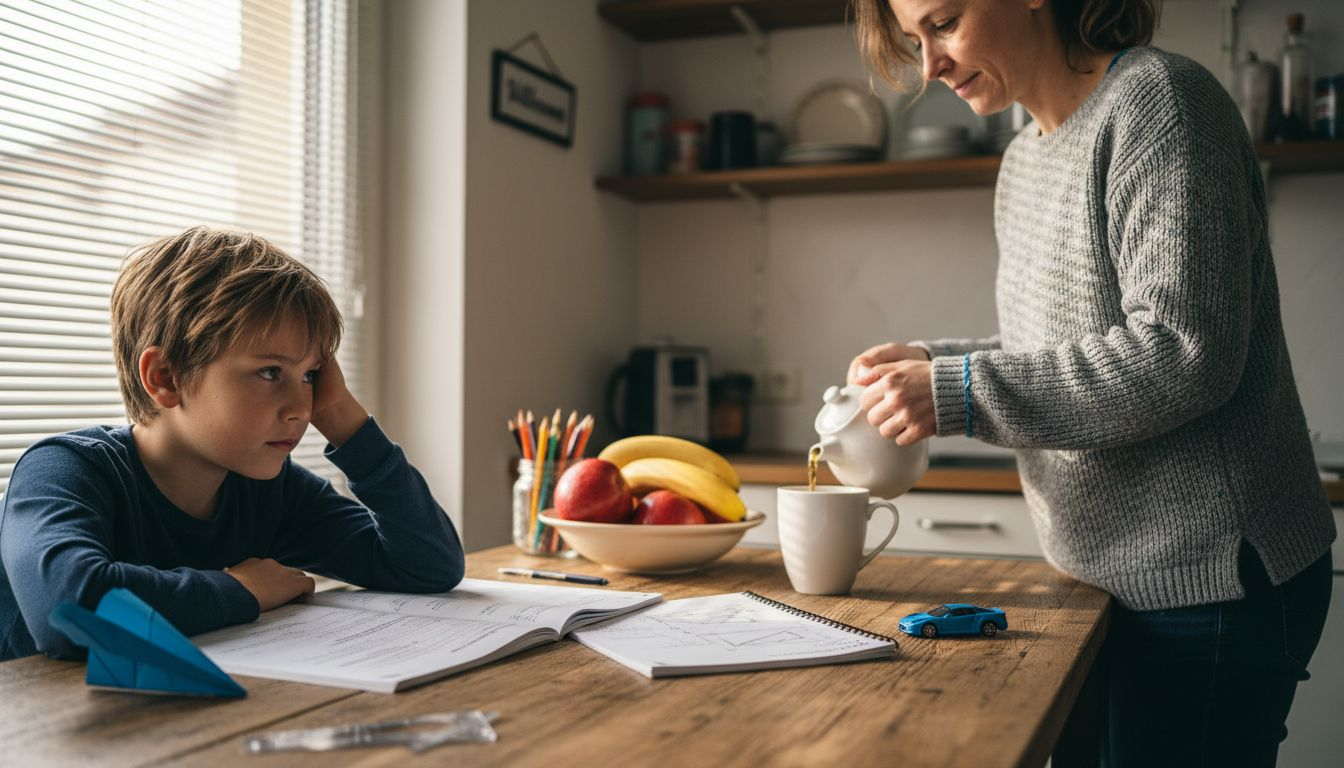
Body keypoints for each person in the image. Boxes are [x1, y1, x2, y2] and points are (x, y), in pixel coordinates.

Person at [848, 0, 1334, 764]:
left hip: (1209, 576)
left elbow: (1182, 352)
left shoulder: (1159, 103)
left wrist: (961, 390)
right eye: (915, 40)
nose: (930, 66)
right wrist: (929, 360)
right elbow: (1057, 347)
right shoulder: (1022, 157)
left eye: (943, 22)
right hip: (1094, 576)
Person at [0, 226, 464, 660]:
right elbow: (68, 611)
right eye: (270, 372)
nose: (302, 409)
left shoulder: (269, 491)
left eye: (309, 376)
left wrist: (342, 416)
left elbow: (429, 566)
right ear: (165, 378)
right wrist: (241, 588)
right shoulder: (63, 471)